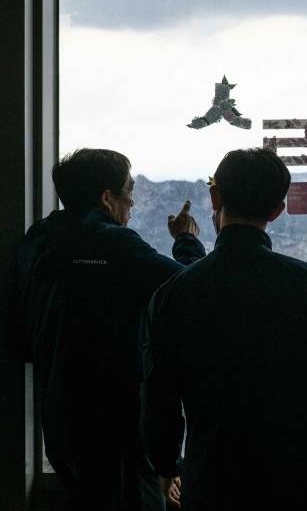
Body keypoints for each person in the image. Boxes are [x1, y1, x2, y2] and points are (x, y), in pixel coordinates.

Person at [141, 148, 307, 511]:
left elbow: (159, 395)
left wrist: (166, 465)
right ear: (277, 210)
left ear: (215, 198)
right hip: (296, 480)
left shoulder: (173, 294)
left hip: (213, 479)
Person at [12, 148, 205, 511]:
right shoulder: (116, 245)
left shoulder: (38, 240)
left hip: (60, 424)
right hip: (117, 429)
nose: (133, 202)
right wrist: (186, 241)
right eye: (129, 191)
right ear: (106, 198)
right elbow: (193, 290)